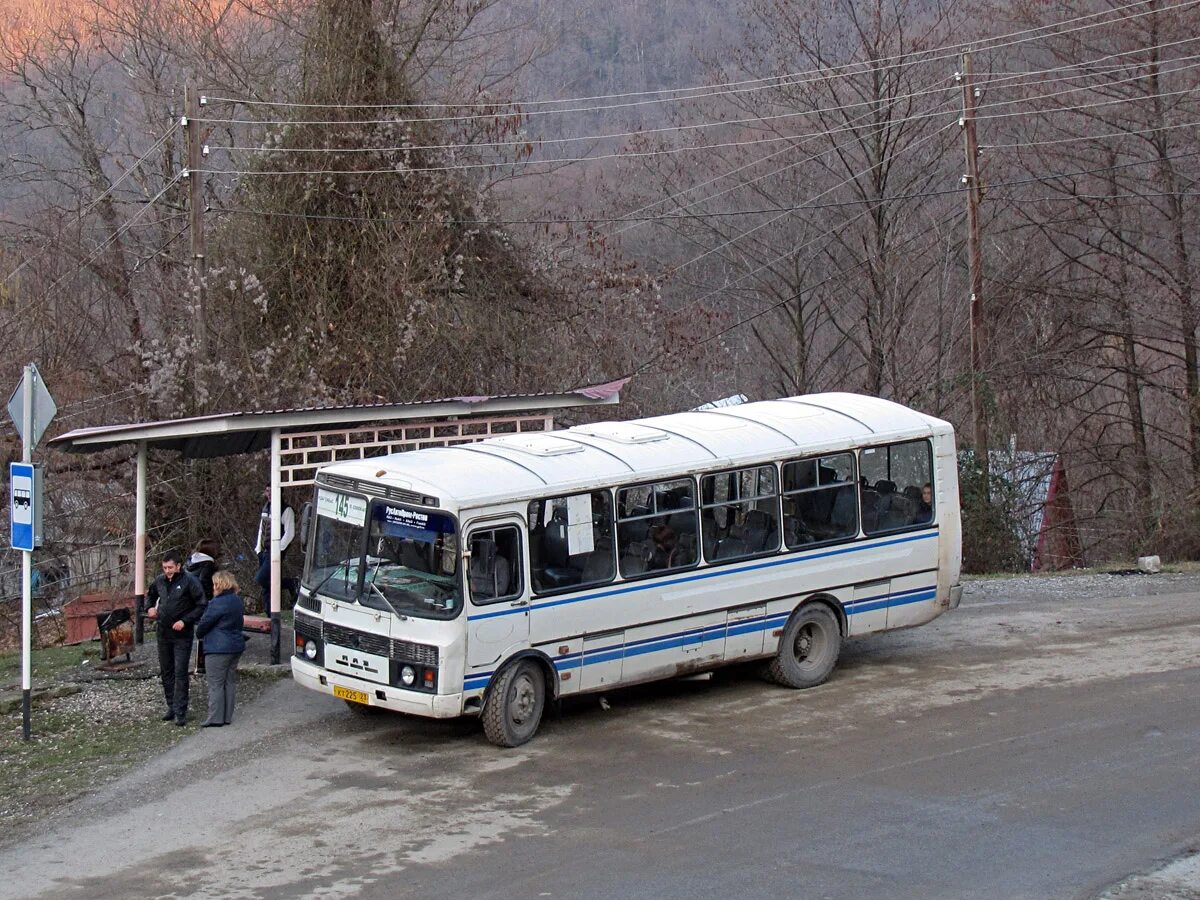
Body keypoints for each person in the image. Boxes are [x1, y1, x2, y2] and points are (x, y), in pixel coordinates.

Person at [145, 550, 206, 725]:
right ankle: (171, 705)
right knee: (167, 670)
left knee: (180, 672)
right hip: (163, 632)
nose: (167, 571)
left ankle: (181, 710)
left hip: (182, 634)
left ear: (178, 566)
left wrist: (185, 621)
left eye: (170, 567)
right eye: (165, 567)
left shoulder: (190, 582)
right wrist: (150, 608)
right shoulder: (159, 581)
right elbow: (150, 596)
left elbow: (201, 605)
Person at [195, 570, 247, 728]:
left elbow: (204, 624)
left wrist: (199, 633)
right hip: (235, 646)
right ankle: (227, 716)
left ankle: (215, 717)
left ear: (219, 584)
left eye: (214, 584)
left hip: (218, 647)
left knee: (215, 683)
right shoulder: (237, 601)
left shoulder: (217, 603)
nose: (213, 587)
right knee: (229, 682)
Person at [254, 487, 298, 616]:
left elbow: (290, 533)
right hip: (263, 550)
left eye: (272, 490)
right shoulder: (266, 508)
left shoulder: (286, 510)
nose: (269, 494)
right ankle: (270, 614)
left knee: (261, 579)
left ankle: (292, 583)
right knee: (266, 585)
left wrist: (278, 549)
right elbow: (261, 530)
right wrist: (258, 548)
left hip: (275, 551)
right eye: (267, 490)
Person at [186, 539, 219, 675]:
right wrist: (211, 600)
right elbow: (205, 582)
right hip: (202, 602)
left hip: (188, 601)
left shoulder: (189, 562)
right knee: (206, 631)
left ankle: (199, 664)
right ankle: (202, 664)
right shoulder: (208, 565)